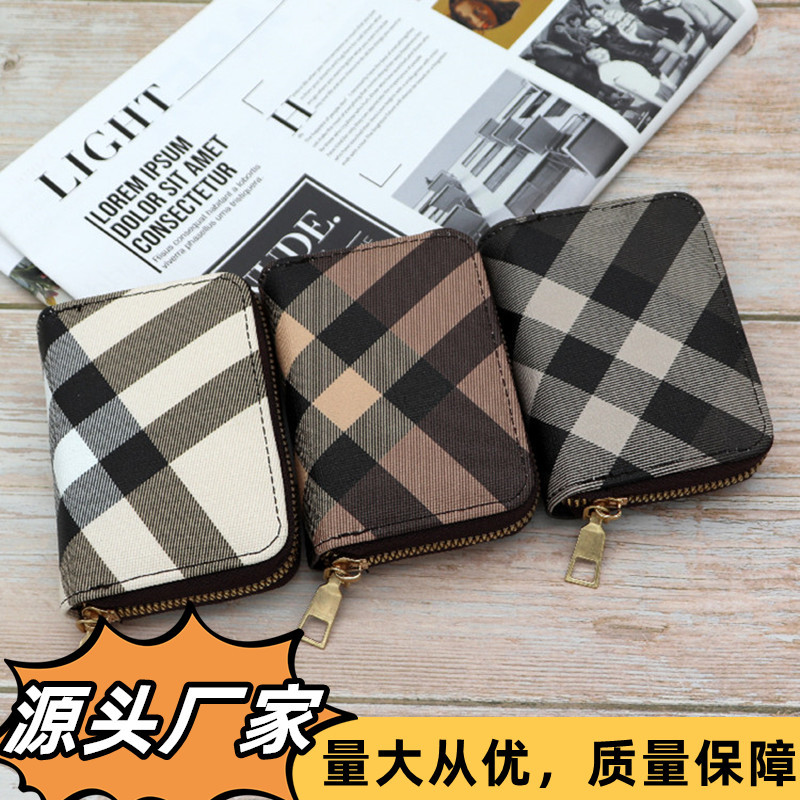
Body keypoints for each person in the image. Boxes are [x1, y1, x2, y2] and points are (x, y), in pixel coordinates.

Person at [584, 45, 674, 106]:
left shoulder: (612, 64)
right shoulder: (607, 71)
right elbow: (634, 89)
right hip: (654, 94)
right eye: (595, 55)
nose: (601, 54)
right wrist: (661, 103)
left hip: (657, 87)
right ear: (591, 61)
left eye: (600, 50)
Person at [448, 0, 520, 30]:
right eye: (468, 20)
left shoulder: (515, 10)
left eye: (477, 11)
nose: (478, 20)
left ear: (487, 4)